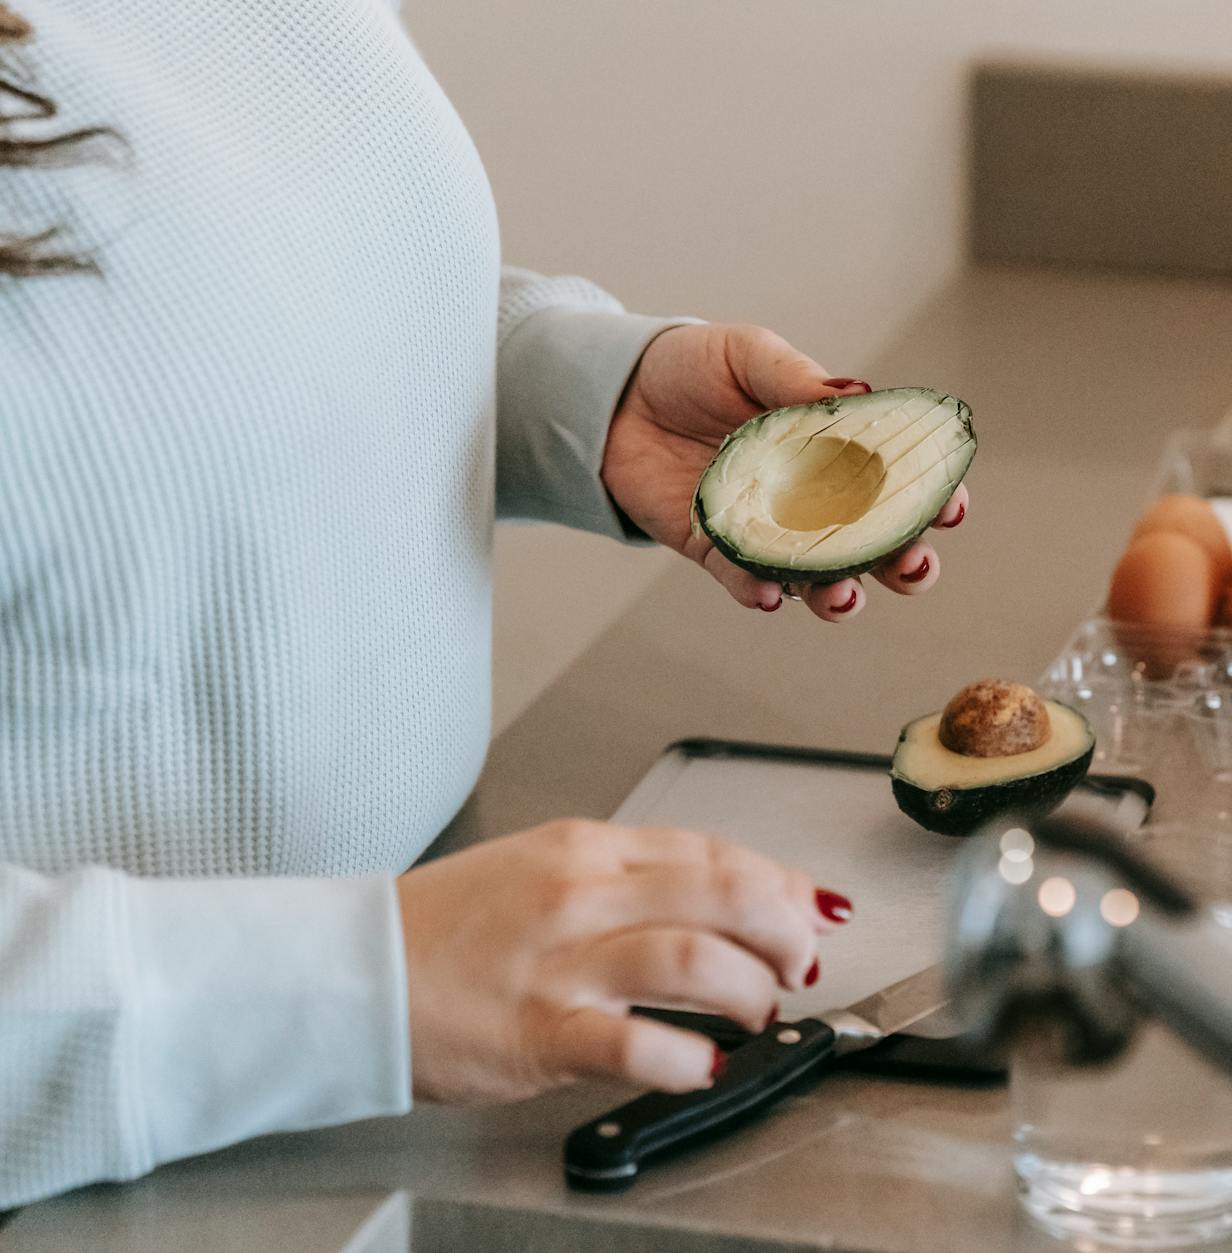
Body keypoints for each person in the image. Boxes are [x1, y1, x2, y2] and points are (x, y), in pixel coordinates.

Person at [0, 0, 970, 1208]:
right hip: (105, 1184)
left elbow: (206, 303)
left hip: (387, 1084)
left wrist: (575, 394)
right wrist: (367, 983)